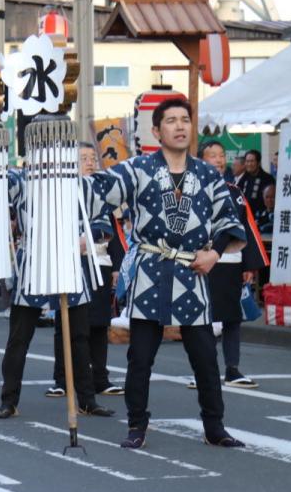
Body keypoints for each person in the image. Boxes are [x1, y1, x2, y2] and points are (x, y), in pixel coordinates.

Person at [87, 98, 247, 449]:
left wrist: (214, 253)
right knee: (140, 357)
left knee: (205, 358)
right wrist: (64, 180)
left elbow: (228, 220)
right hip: (151, 271)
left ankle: (215, 427)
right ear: (156, 131)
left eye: (185, 120)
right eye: (171, 120)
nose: (179, 126)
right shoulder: (138, 168)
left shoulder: (207, 174)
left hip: (192, 272)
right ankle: (137, 425)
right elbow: (98, 189)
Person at [0, 143, 116, 420]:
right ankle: (9, 400)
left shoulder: (84, 185)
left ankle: (87, 400)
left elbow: (103, 224)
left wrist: (86, 239)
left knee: (79, 337)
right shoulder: (22, 181)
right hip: (33, 260)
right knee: (19, 337)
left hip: (70, 261)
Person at [45, 144, 124, 399]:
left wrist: (117, 266)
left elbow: (114, 233)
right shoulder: (58, 192)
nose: (90, 163)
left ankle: (100, 377)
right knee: (65, 323)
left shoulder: (103, 194)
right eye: (83, 158)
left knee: (99, 323)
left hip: (98, 261)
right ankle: (62, 379)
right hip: (68, 263)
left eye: (92, 158)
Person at [194, 141, 268, 388]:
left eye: (221, 155)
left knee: (232, 317)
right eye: (212, 155)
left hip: (232, 261)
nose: (218, 159)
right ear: (201, 160)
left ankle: (232, 369)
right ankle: (203, 370)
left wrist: (249, 265)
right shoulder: (191, 190)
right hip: (202, 261)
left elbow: (247, 228)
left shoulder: (235, 192)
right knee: (202, 318)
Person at [238, 148, 274, 223]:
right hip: (245, 219)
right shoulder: (243, 178)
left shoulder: (267, 178)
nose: (249, 164)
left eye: (252, 161)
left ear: (258, 163)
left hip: (262, 220)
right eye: (247, 161)